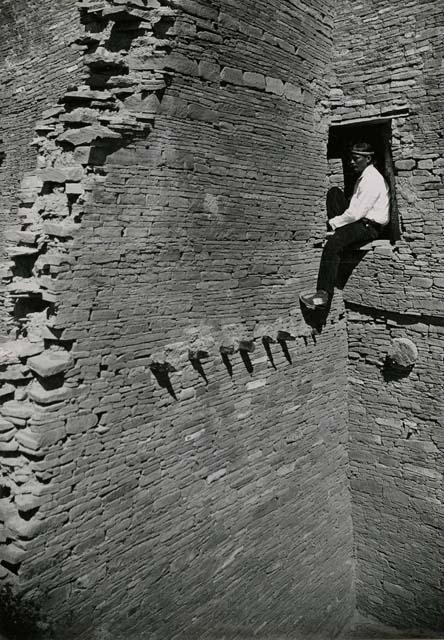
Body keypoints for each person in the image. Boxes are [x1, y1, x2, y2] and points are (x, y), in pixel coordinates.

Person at [300, 142, 390, 310]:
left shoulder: (372, 179)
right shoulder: (365, 176)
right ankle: (341, 232)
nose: (351, 162)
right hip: (359, 221)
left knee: (333, 245)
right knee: (334, 193)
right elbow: (352, 209)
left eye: (356, 159)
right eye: (351, 158)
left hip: (369, 227)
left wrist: (332, 224)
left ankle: (322, 296)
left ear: (368, 158)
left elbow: (356, 213)